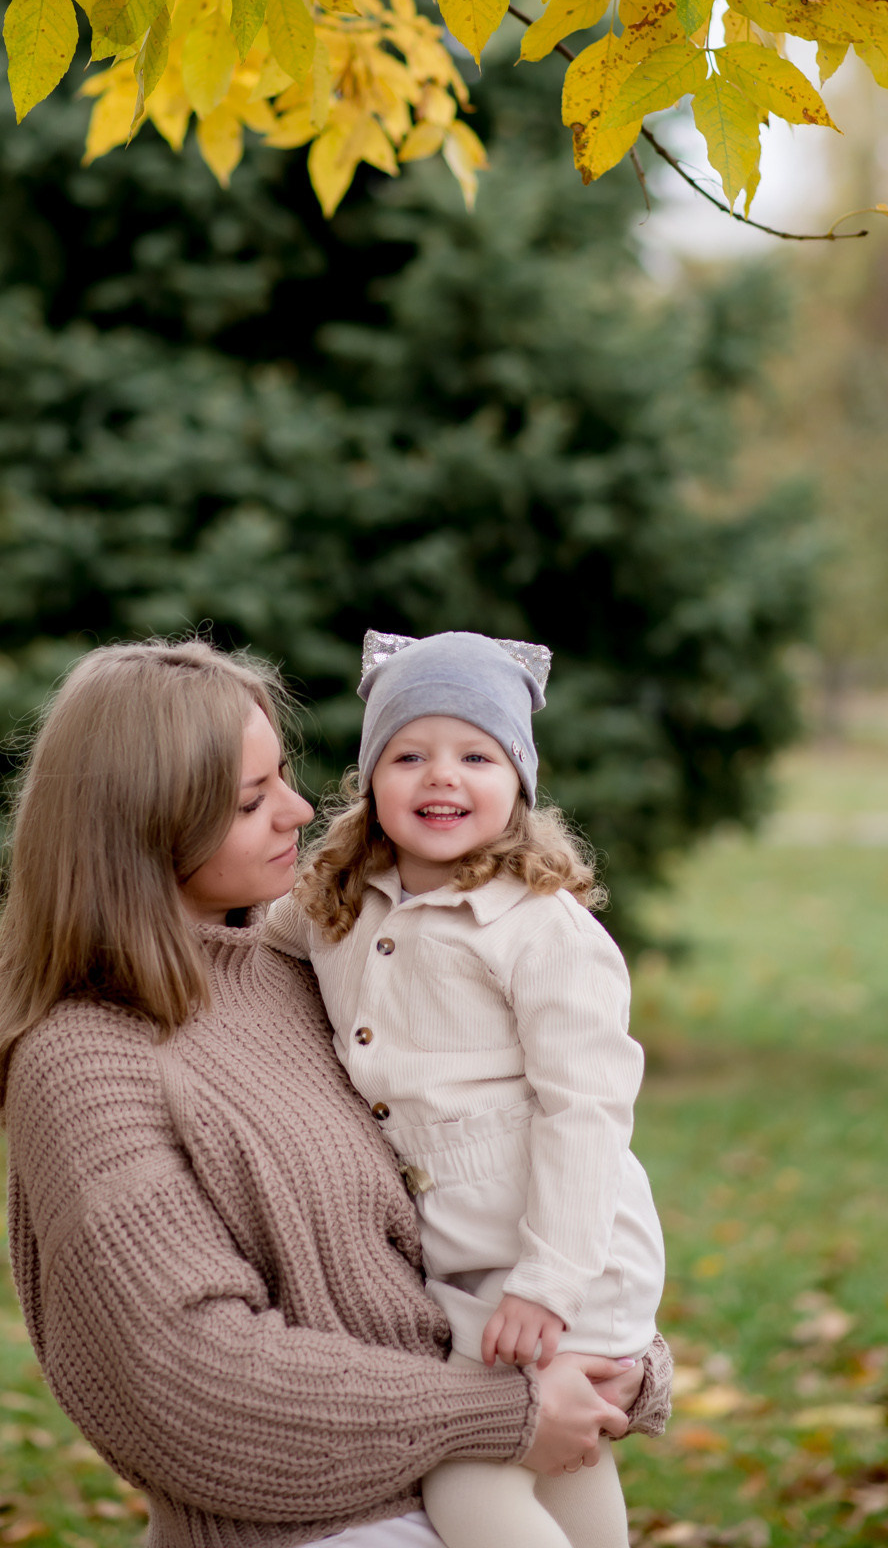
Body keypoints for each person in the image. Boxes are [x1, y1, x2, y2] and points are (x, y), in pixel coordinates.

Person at [0, 639, 670, 1548]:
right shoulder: (86, 1062)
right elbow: (194, 1381)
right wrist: (502, 1412)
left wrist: (606, 1356)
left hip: (496, 1424)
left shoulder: (302, 970)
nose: (301, 810)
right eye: (249, 800)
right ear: (141, 826)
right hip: (326, 1525)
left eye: (283, 777)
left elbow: (491, 1167)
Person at [265, 631, 667, 1548]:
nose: (440, 776)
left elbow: (586, 1111)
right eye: (408, 755)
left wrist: (548, 1283)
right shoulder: (340, 901)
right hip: (463, 1250)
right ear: (370, 778)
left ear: (518, 781)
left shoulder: (540, 928)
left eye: (476, 757)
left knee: (468, 1476)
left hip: (558, 1252)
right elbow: (247, 947)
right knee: (562, 1459)